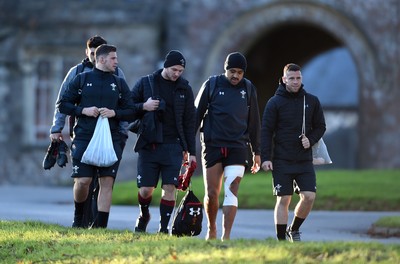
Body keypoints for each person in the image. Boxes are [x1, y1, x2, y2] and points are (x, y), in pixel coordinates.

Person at [49, 35, 128, 228]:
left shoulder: (118, 76)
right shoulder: (77, 74)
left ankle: (98, 225)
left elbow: (127, 105)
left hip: (110, 136)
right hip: (83, 133)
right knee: (84, 181)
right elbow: (62, 102)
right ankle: (80, 220)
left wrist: (122, 133)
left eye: (97, 52)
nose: (94, 56)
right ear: (88, 53)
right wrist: (57, 128)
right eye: (91, 53)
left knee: (103, 183)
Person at [194, 52, 261, 241]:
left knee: (232, 188)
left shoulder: (248, 88)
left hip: (238, 146)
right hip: (213, 145)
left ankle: (227, 237)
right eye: (232, 71)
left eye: (240, 72)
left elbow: (255, 121)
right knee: (212, 193)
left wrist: (257, 151)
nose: (236, 76)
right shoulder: (212, 84)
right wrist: (188, 149)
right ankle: (212, 229)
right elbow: (196, 115)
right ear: (225, 69)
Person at [131, 50, 197, 234]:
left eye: (180, 71)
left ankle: (163, 227)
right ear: (165, 66)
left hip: (174, 146)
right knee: (146, 190)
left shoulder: (185, 88)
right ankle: (144, 215)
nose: (177, 74)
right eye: (174, 69)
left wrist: (191, 153)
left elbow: (190, 121)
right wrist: (144, 106)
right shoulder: (146, 83)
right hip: (149, 145)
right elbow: (128, 106)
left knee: (170, 187)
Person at [260, 63, 326, 242]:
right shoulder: (274, 103)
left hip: (304, 160)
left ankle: (294, 229)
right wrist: (265, 158)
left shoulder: (311, 101)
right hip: (281, 160)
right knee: (284, 199)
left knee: (309, 197)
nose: (295, 82)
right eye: (291, 78)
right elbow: (266, 131)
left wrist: (310, 139)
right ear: (284, 80)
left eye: (298, 78)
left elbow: (321, 126)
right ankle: (281, 241)